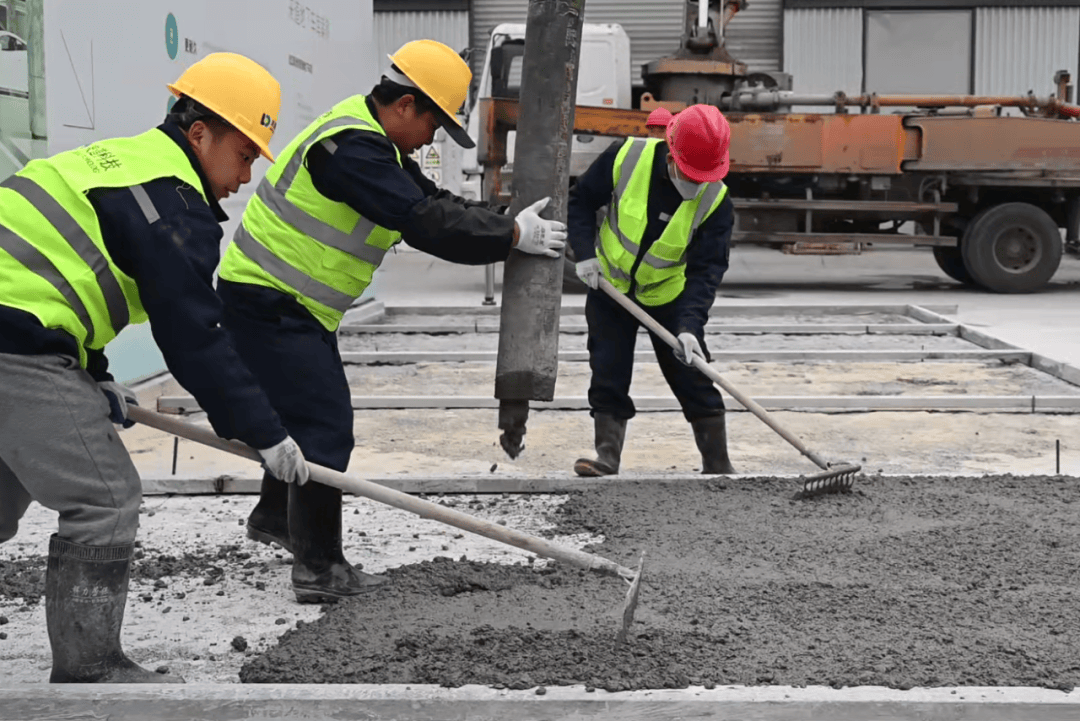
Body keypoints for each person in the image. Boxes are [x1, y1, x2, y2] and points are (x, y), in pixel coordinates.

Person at [216, 39, 567, 604]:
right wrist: (512, 237)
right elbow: (424, 221)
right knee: (324, 427)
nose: (432, 138)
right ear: (405, 105)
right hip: (270, 303)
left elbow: (438, 200)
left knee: (297, 417)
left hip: (285, 304)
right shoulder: (352, 151)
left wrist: (508, 222)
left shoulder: (373, 144)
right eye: (434, 124)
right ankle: (319, 570)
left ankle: (277, 518)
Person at [0, 53, 310, 684]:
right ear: (199, 134)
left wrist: (92, 370)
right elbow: (194, 336)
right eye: (243, 154)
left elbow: (58, 269)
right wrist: (266, 433)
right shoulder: (172, 201)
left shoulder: (119, 166)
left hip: (21, 331)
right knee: (104, 499)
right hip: (15, 346)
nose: (245, 176)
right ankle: (91, 667)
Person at [569, 104, 736, 477]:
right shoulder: (627, 157)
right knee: (608, 369)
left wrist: (689, 327)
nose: (696, 185)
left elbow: (707, 271)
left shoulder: (716, 201)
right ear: (672, 155)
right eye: (691, 175)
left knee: (693, 374)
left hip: (668, 295)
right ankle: (607, 455)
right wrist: (584, 255)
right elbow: (580, 201)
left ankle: (718, 465)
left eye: (703, 177)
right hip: (611, 286)